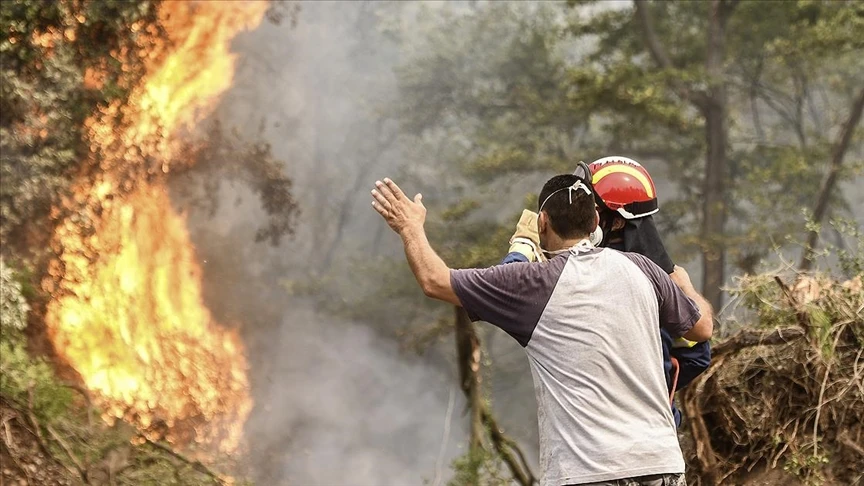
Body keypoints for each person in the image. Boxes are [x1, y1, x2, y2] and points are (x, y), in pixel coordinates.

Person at [371, 174, 713, 486]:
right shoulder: (642, 268)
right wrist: (682, 282)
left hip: (590, 473)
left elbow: (434, 280)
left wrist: (409, 227)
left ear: (543, 223)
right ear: (595, 222)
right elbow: (702, 328)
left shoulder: (532, 284)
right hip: (662, 465)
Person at [505, 157, 711, 426]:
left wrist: (522, 248)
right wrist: (683, 285)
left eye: (589, 207)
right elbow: (698, 354)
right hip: (653, 434)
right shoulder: (660, 279)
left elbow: (511, 285)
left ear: (615, 223)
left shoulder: (609, 279)